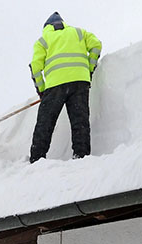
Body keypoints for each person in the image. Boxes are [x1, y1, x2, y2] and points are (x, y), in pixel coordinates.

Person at [29, 12, 102, 163]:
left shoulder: (43, 40)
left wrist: (42, 90)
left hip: (55, 86)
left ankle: (37, 159)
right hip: (80, 81)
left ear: (47, 27)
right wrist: (89, 68)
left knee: (45, 123)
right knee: (80, 121)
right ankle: (81, 156)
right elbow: (96, 45)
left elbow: (35, 68)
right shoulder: (79, 32)